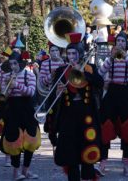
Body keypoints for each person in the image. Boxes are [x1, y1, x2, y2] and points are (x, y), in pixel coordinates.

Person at [47, 33, 103, 181]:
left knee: (87, 153)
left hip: (87, 115)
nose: (71, 56)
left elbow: (100, 83)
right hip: (68, 116)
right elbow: (52, 95)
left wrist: (84, 73)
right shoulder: (61, 71)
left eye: (74, 53)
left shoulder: (90, 68)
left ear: (80, 54)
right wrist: (57, 92)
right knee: (71, 156)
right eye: (69, 53)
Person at [96, 32, 128, 177]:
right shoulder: (109, 59)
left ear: (126, 44)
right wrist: (110, 59)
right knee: (104, 128)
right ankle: (102, 164)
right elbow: (100, 73)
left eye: (123, 41)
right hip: (111, 94)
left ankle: (126, 165)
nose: (120, 44)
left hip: (124, 95)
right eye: (118, 41)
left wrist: (126, 58)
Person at [0, 51, 40, 180]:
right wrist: (4, 86)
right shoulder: (7, 75)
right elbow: (2, 94)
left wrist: (16, 85)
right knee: (13, 140)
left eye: (15, 63)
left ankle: (26, 170)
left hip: (27, 110)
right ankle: (16, 173)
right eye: (11, 64)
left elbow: (31, 92)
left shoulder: (30, 75)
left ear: (21, 63)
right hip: (12, 110)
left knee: (30, 140)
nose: (13, 67)